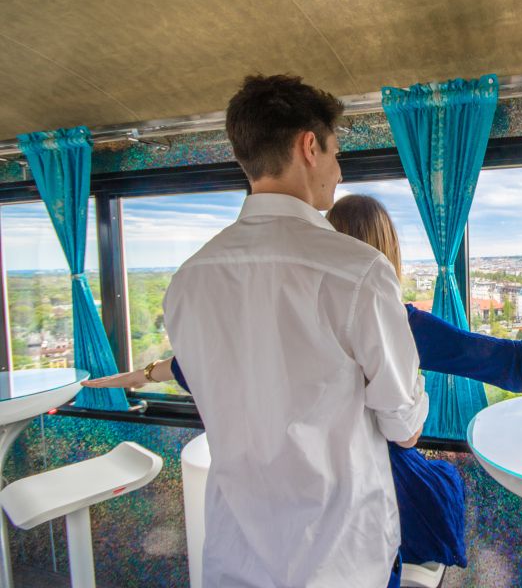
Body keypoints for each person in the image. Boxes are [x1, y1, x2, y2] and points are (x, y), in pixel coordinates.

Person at [86, 192, 522, 578]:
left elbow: (187, 367)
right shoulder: (391, 319)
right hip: (357, 503)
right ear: (384, 253)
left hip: (258, 522)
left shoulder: (260, 316)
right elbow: (511, 360)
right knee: (438, 482)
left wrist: (127, 376)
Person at [158, 75, 426, 588]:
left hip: (235, 555)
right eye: (335, 152)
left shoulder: (187, 281)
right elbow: (405, 428)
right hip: (341, 559)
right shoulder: (360, 272)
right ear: (309, 146)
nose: (338, 169)